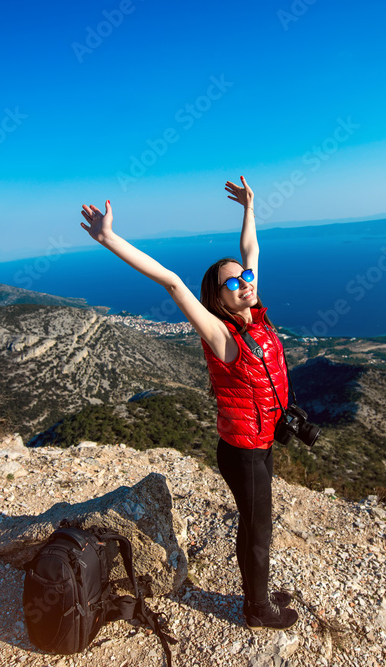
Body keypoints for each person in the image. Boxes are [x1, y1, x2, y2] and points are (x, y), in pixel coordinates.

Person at [79, 176, 299, 631]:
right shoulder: (221, 336)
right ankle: (256, 609)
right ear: (217, 297)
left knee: (259, 520)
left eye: (247, 275)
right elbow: (173, 282)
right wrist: (109, 238)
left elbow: (251, 249)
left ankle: (257, 591)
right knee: (257, 528)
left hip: (262, 441)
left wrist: (249, 208)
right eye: (234, 281)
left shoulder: (255, 313)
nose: (245, 281)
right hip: (242, 450)